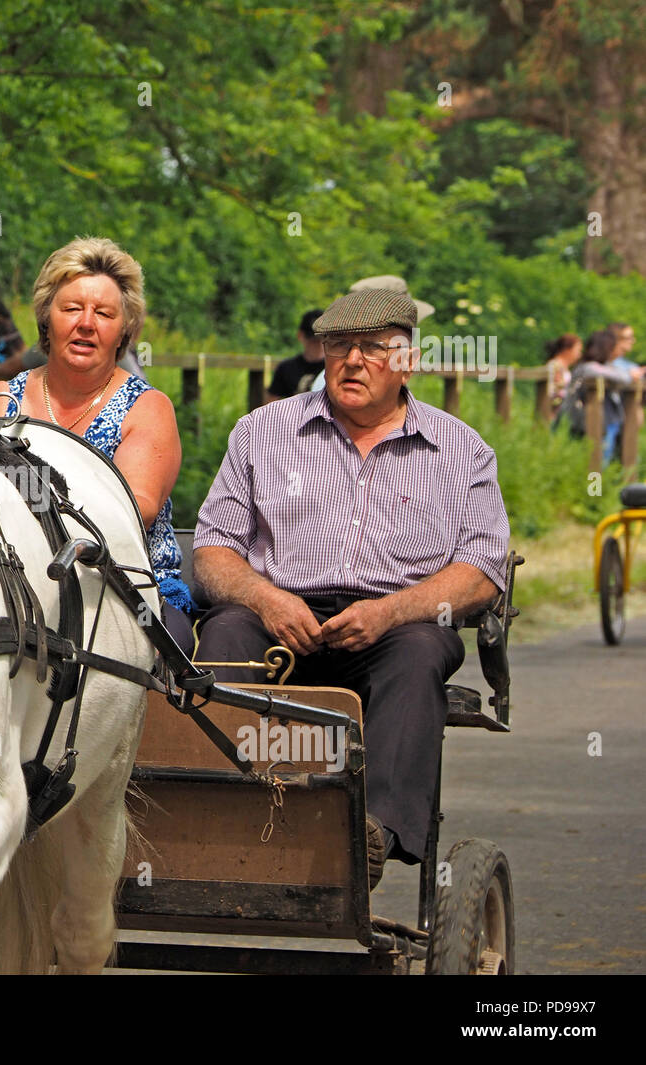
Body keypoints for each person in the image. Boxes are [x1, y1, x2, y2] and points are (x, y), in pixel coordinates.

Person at [191, 287, 509, 890]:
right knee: (227, 630)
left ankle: (373, 832)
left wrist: (390, 612)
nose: (352, 361)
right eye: (339, 346)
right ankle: (219, 812)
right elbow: (212, 548)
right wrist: (266, 598)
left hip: (397, 624)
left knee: (421, 651)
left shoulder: (461, 450)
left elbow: (482, 569)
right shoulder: (263, 431)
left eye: (371, 348)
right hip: (278, 617)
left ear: (408, 360)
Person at [0, 237, 195, 652]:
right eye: (72, 308)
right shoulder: (0, 400)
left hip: (126, 592)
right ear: (47, 318)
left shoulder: (147, 408)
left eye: (104, 313)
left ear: (125, 329)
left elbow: (132, 511)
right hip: (8, 591)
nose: (86, 323)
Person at [558, 329, 634, 462]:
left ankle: (595, 482)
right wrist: (629, 375)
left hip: (596, 422)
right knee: (594, 462)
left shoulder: (598, 366)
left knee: (598, 460)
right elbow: (622, 377)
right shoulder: (588, 367)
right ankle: (594, 483)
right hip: (582, 422)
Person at [266, 309, 324, 401]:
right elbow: (270, 404)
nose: (317, 344)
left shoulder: (333, 367)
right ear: (300, 335)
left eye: (322, 338)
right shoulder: (286, 368)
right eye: (312, 339)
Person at [543, 333, 581, 414]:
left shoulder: (562, 366)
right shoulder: (555, 365)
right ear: (567, 350)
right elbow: (556, 388)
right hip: (554, 409)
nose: (579, 355)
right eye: (577, 350)